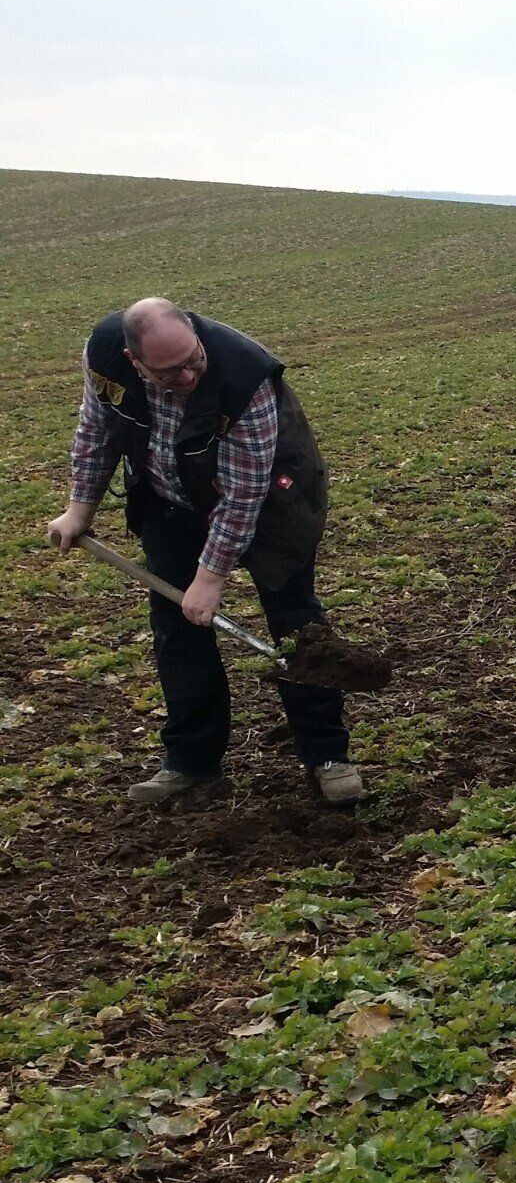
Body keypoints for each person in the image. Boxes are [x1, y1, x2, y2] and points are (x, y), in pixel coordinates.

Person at [45, 297, 362, 806]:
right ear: (136, 361)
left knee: (294, 620)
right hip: (170, 499)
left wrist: (210, 579)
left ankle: (327, 754)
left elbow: (243, 494)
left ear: (195, 334)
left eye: (194, 360)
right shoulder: (104, 356)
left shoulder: (244, 375)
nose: (189, 375)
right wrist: (79, 510)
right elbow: (97, 431)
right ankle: (192, 763)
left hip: (274, 497)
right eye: (171, 372)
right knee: (177, 627)